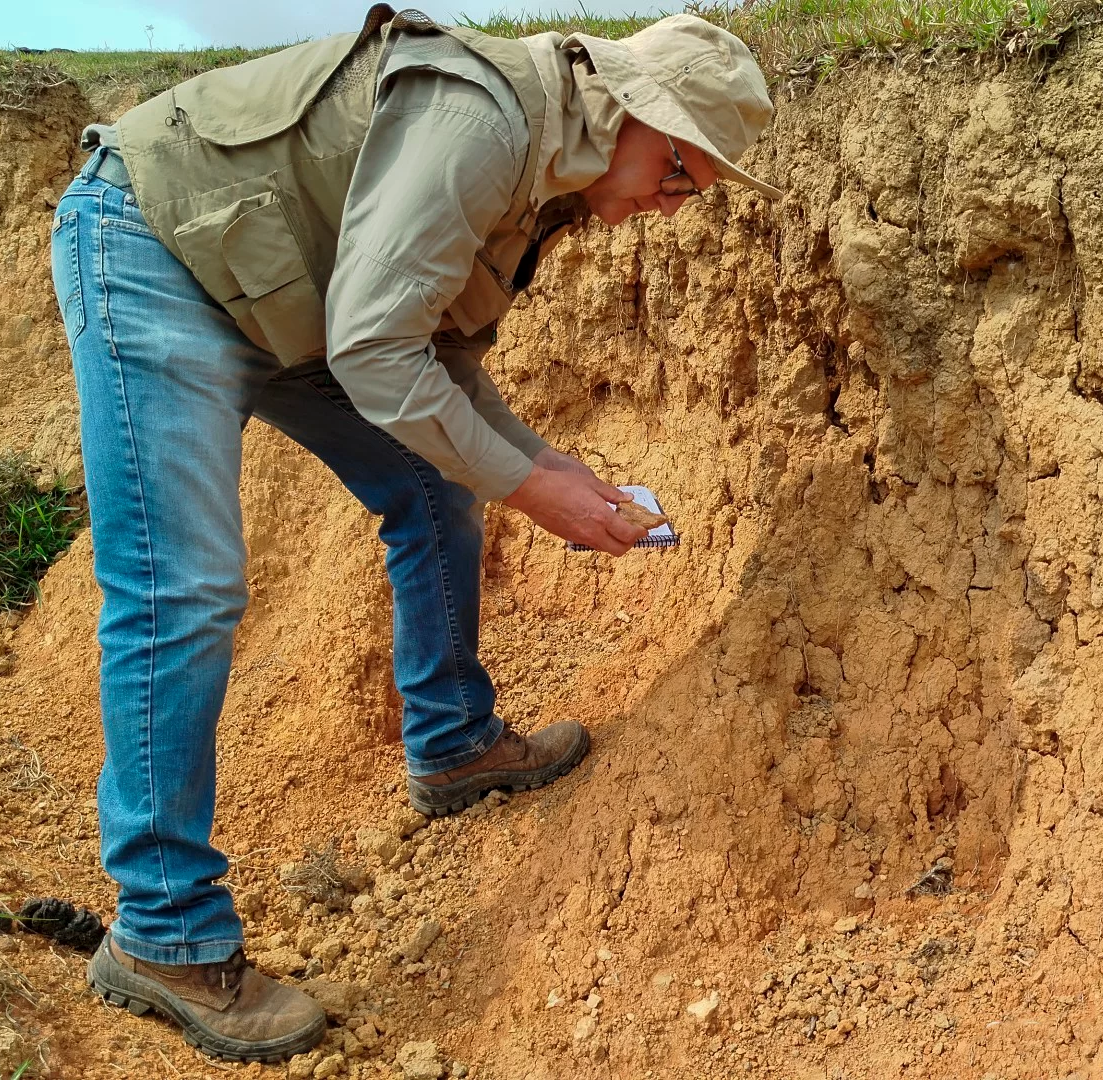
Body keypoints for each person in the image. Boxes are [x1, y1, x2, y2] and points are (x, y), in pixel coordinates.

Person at [52, 3, 779, 1061]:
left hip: (290, 297)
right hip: (156, 251)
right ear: (629, 110)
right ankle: (163, 931)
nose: (673, 204)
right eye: (677, 170)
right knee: (185, 587)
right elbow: (378, 353)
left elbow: (433, 363)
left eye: (694, 192)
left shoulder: (555, 176)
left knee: (438, 487)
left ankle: (451, 747)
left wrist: (545, 463)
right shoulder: (485, 123)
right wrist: (533, 488)